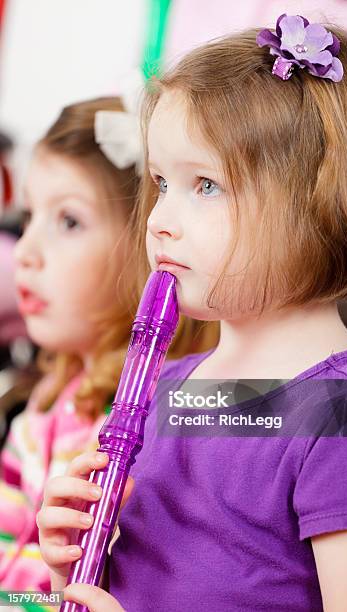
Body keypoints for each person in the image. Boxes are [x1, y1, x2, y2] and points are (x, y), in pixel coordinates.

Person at [38, 15, 347, 611]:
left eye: (205, 185)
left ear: (320, 206)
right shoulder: (171, 386)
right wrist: (77, 570)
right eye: (160, 182)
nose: (159, 219)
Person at [0, 96, 218, 598]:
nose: (26, 253)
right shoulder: (42, 405)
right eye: (29, 216)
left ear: (140, 251)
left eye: (68, 222)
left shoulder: (164, 415)